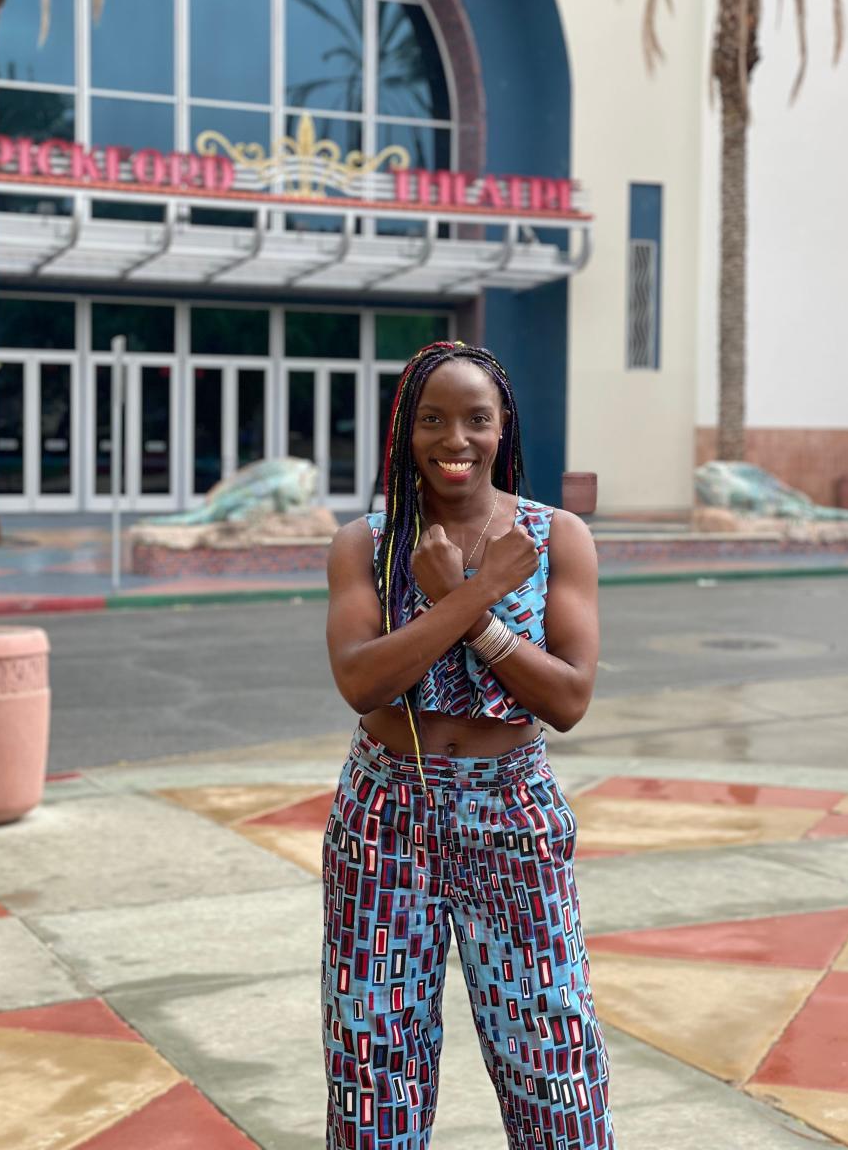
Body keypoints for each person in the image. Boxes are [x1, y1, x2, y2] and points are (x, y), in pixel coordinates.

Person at [322, 340, 614, 1149]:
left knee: (550, 1053)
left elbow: (568, 699)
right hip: (386, 812)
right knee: (372, 1055)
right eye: (433, 420)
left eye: (476, 420)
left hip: (511, 812)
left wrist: (473, 616)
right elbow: (362, 682)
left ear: (502, 427)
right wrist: (478, 591)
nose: (455, 440)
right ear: (404, 432)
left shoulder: (557, 538)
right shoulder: (365, 545)